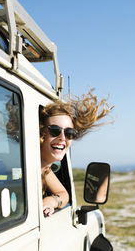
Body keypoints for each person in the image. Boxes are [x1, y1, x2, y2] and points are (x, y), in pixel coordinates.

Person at [39, 89, 113, 217]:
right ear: (40, 132)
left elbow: (64, 194)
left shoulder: (44, 169)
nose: (63, 138)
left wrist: (52, 201)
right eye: (55, 131)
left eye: (69, 133)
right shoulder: (25, 168)